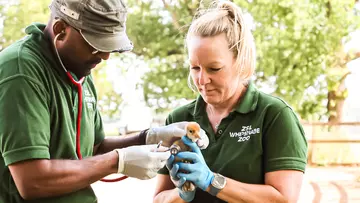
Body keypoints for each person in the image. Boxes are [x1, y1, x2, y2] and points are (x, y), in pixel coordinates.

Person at [0, 0, 209, 203]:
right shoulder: (21, 72)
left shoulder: (78, 68)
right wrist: (118, 162)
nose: (106, 55)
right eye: (96, 45)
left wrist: (150, 138)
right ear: (61, 29)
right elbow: (32, 181)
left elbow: (94, 149)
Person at [153, 1, 308, 203]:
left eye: (214, 68)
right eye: (195, 68)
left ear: (240, 60)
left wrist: (211, 182)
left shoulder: (274, 116)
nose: (202, 80)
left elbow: (283, 199)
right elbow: (158, 199)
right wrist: (182, 193)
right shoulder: (179, 119)